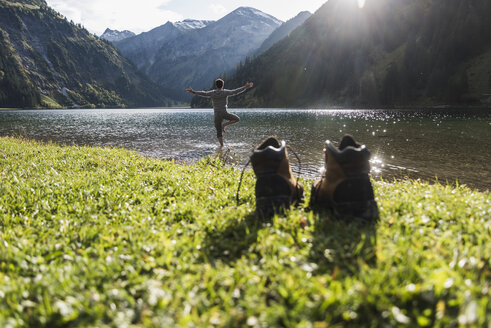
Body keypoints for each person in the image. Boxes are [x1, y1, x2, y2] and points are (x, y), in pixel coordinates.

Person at [186, 79, 253, 147]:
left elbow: (203, 93)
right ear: (222, 85)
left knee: (219, 131)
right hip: (224, 113)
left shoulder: (212, 93)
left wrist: (193, 92)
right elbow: (235, 91)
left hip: (217, 114)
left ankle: (221, 146)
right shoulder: (225, 92)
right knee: (237, 119)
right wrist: (245, 87)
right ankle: (224, 125)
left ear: (216, 85)